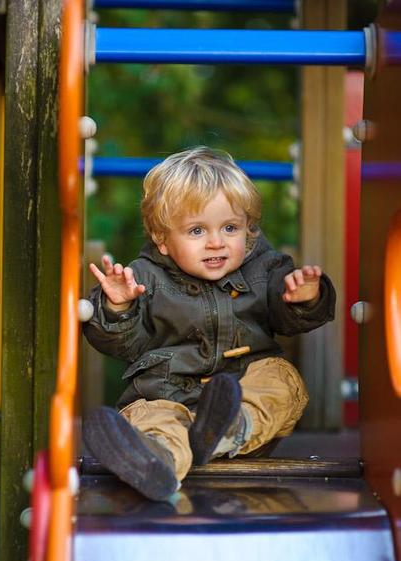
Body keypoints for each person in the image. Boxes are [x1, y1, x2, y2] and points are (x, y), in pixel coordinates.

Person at [82, 146, 335, 501]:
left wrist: (305, 297)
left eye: (230, 227)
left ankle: (228, 429)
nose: (216, 242)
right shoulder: (144, 279)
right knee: (150, 418)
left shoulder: (265, 269)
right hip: (166, 396)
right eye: (197, 231)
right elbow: (126, 344)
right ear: (162, 238)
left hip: (241, 396)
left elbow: (288, 314)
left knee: (282, 379)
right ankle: (157, 463)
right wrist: (118, 307)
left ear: (248, 230)